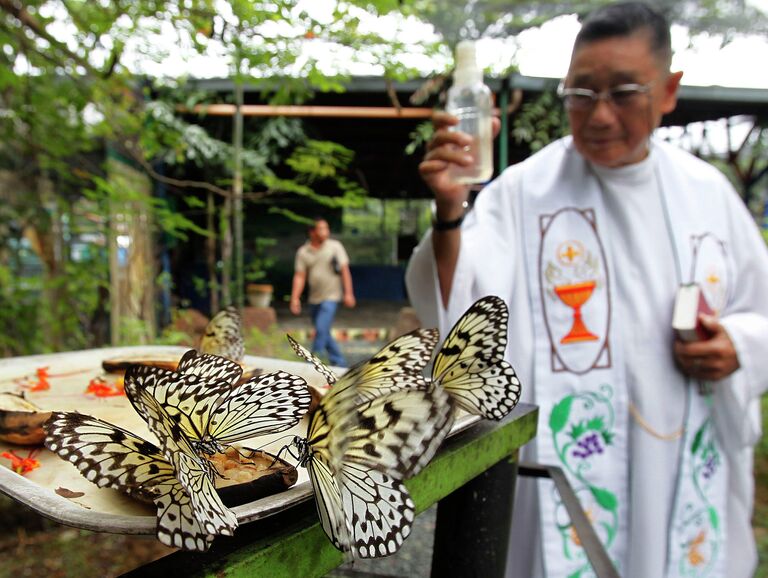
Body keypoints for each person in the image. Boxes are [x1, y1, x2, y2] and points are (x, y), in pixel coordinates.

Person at [406, 3, 768, 577]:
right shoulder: (524, 193)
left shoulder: (709, 195)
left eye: (623, 92)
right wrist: (451, 209)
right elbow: (459, 305)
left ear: (669, 90)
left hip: (676, 458)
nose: (598, 116)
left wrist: (738, 346)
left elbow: (760, 311)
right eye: (580, 94)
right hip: (568, 468)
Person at [290, 217, 356, 367]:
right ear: (312, 232)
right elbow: (300, 276)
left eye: (326, 228)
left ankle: (312, 362)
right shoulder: (303, 252)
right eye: (321, 229)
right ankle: (339, 363)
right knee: (323, 332)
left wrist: (348, 293)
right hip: (314, 298)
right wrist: (295, 298)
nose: (325, 232)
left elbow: (345, 271)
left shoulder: (335, 247)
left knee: (321, 328)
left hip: (331, 296)